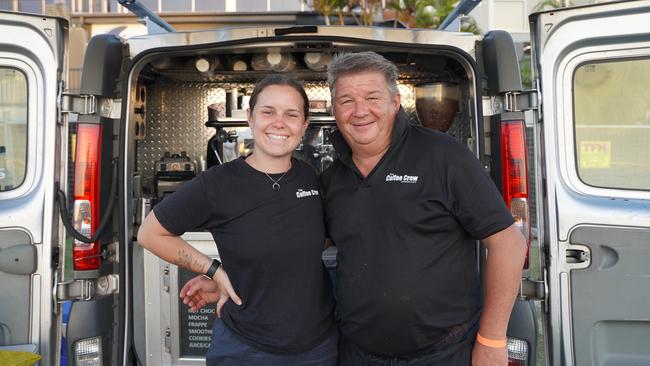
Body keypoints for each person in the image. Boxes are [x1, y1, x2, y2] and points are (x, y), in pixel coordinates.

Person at [319, 51, 527, 366]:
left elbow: (508, 243)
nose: (360, 111)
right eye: (346, 101)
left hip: (443, 353)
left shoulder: (444, 156)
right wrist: (215, 270)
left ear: (395, 102)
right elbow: (298, 249)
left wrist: (492, 339)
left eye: (372, 97)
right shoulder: (331, 179)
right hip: (357, 353)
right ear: (334, 109)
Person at [137, 74, 337, 366]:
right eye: (268, 112)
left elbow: (309, 244)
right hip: (247, 349)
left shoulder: (309, 176)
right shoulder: (217, 184)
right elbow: (150, 234)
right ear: (250, 118)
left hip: (318, 348)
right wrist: (215, 272)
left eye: (291, 114)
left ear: (304, 125)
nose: (279, 122)